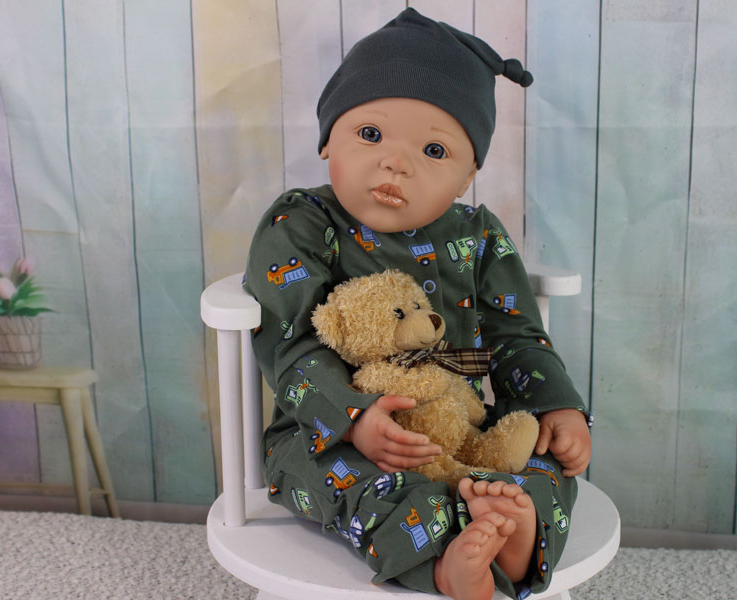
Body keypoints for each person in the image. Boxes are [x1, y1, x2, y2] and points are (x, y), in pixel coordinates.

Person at [243, 8, 591, 600]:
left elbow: (514, 336)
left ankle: (517, 531)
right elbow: (293, 342)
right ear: (327, 139)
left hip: (460, 425)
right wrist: (355, 418)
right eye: (370, 135)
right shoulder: (302, 224)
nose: (396, 162)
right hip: (329, 430)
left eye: (433, 149)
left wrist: (556, 403)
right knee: (356, 483)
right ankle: (448, 563)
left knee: (541, 454)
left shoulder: (477, 236)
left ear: (467, 175)